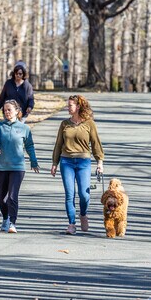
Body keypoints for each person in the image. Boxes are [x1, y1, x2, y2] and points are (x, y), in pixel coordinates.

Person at [50, 95, 104, 235]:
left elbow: (96, 143)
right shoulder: (64, 124)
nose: (68, 108)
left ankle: (83, 214)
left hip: (83, 162)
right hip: (66, 161)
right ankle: (72, 223)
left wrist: (99, 162)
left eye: (70, 105)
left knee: (84, 195)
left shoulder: (89, 123)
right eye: (68, 105)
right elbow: (58, 144)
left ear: (78, 106)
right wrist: (55, 163)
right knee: (70, 194)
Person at [0, 99, 40, 234]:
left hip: (17, 167)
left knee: (12, 196)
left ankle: (12, 222)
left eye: (9, 110)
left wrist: (34, 161)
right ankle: (6, 218)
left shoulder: (24, 128)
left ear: (17, 112)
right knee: (2, 198)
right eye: (5, 110)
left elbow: (29, 145)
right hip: (1, 167)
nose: (7, 112)